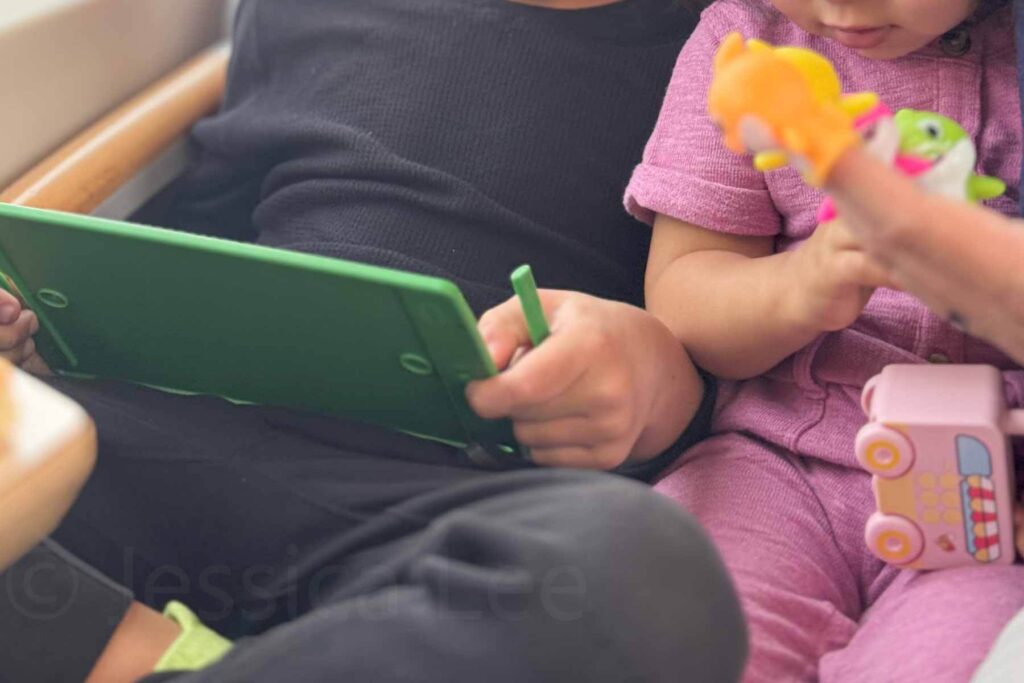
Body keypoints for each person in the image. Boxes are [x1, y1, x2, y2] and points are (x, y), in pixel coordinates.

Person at [0, 0, 747, 681]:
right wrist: (45, 347)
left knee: (648, 576)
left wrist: (654, 381)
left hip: (447, 505)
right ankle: (135, 654)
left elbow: (730, 351)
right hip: (181, 441)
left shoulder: (730, 42)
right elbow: (190, 243)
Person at [625, 0, 1024, 680]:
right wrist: (800, 286)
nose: (841, 6)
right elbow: (682, 303)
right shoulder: (747, 48)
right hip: (777, 466)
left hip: (983, 503)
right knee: (681, 636)